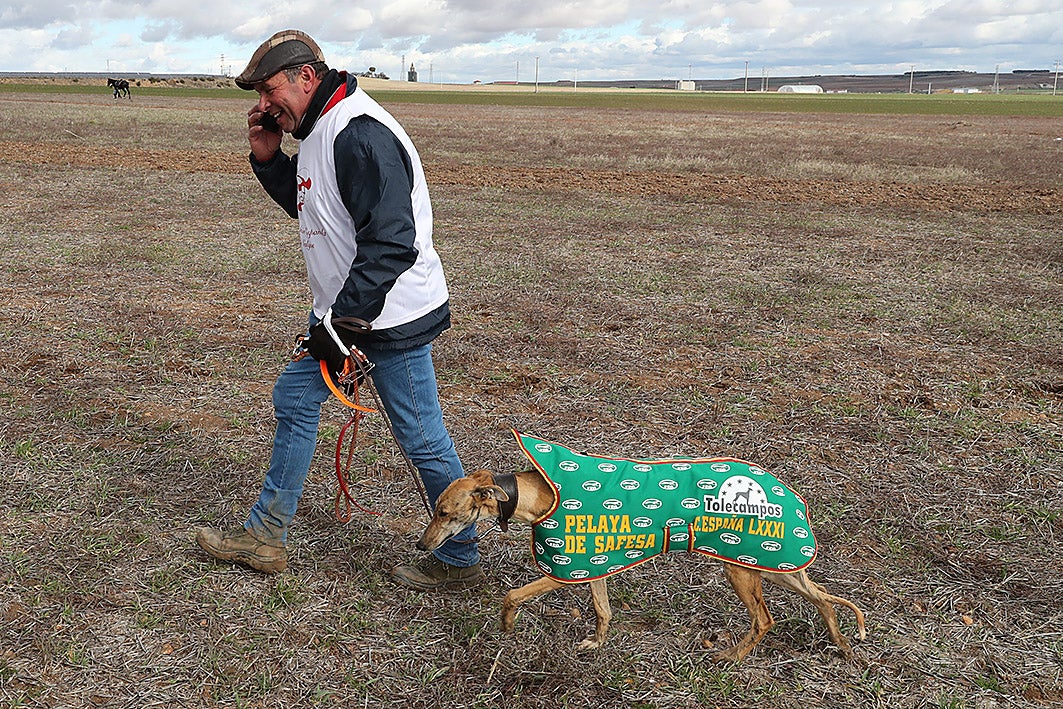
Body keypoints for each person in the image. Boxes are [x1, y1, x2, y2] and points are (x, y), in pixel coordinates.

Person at [195, 29, 481, 591]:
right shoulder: (323, 129)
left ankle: (460, 554)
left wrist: (342, 324)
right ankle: (266, 535)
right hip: (348, 311)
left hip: (386, 316)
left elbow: (393, 241)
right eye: (256, 95)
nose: (261, 106)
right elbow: (321, 213)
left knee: (422, 438)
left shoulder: (358, 134)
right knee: (295, 397)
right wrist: (271, 163)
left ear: (305, 77)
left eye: (268, 90)